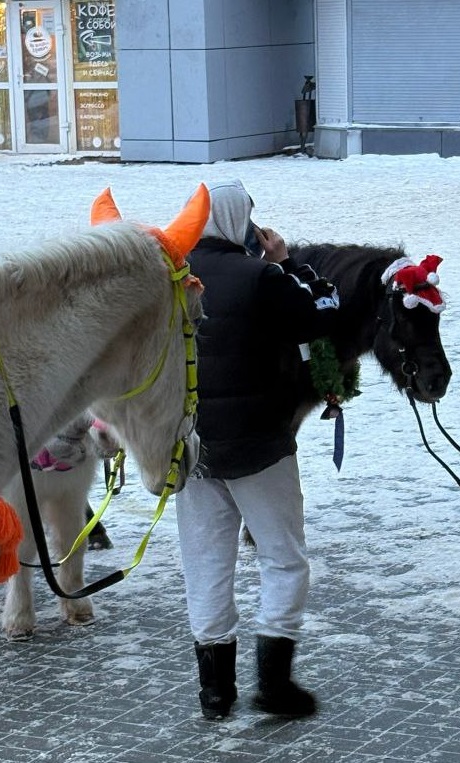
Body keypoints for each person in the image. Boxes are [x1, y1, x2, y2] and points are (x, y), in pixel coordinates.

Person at [175, 179, 341, 720]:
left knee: (205, 565)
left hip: (193, 449)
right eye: (247, 217)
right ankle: (274, 683)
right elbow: (323, 315)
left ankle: (214, 692)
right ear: (233, 220)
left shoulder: (170, 276)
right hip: (260, 447)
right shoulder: (260, 276)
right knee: (283, 559)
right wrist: (289, 262)